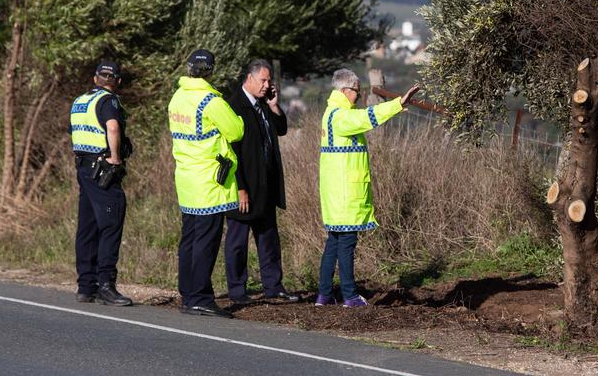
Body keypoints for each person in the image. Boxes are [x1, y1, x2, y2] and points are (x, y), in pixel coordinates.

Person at [315, 68, 419, 308]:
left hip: (336, 193)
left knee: (334, 242)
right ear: (344, 90)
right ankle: (350, 295)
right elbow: (365, 118)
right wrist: (396, 104)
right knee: (347, 243)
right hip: (345, 194)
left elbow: (361, 116)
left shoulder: (332, 114)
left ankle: (324, 294)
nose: (359, 96)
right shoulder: (340, 116)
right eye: (356, 91)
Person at [168, 49, 244, 318]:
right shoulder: (211, 100)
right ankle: (200, 296)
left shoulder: (177, 97)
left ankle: (188, 293)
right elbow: (236, 131)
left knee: (188, 239)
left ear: (189, 69)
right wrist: (240, 119)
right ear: (211, 71)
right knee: (206, 242)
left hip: (186, 178)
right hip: (209, 182)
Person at [224, 59, 299, 304]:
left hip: (266, 184)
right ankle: (237, 290)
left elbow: (281, 129)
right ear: (249, 78)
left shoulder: (264, 104)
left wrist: (275, 106)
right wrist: (240, 187)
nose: (267, 85)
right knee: (237, 242)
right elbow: (231, 150)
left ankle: (273, 285)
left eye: (269, 81)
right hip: (244, 186)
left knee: (268, 238)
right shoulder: (234, 106)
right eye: (263, 80)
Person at [70, 60, 133, 306]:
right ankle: (106, 284)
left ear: (96, 79)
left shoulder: (80, 101)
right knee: (111, 221)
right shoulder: (109, 101)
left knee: (87, 225)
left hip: (83, 168)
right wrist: (115, 158)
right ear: (117, 81)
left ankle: (86, 286)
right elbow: (113, 127)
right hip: (102, 168)